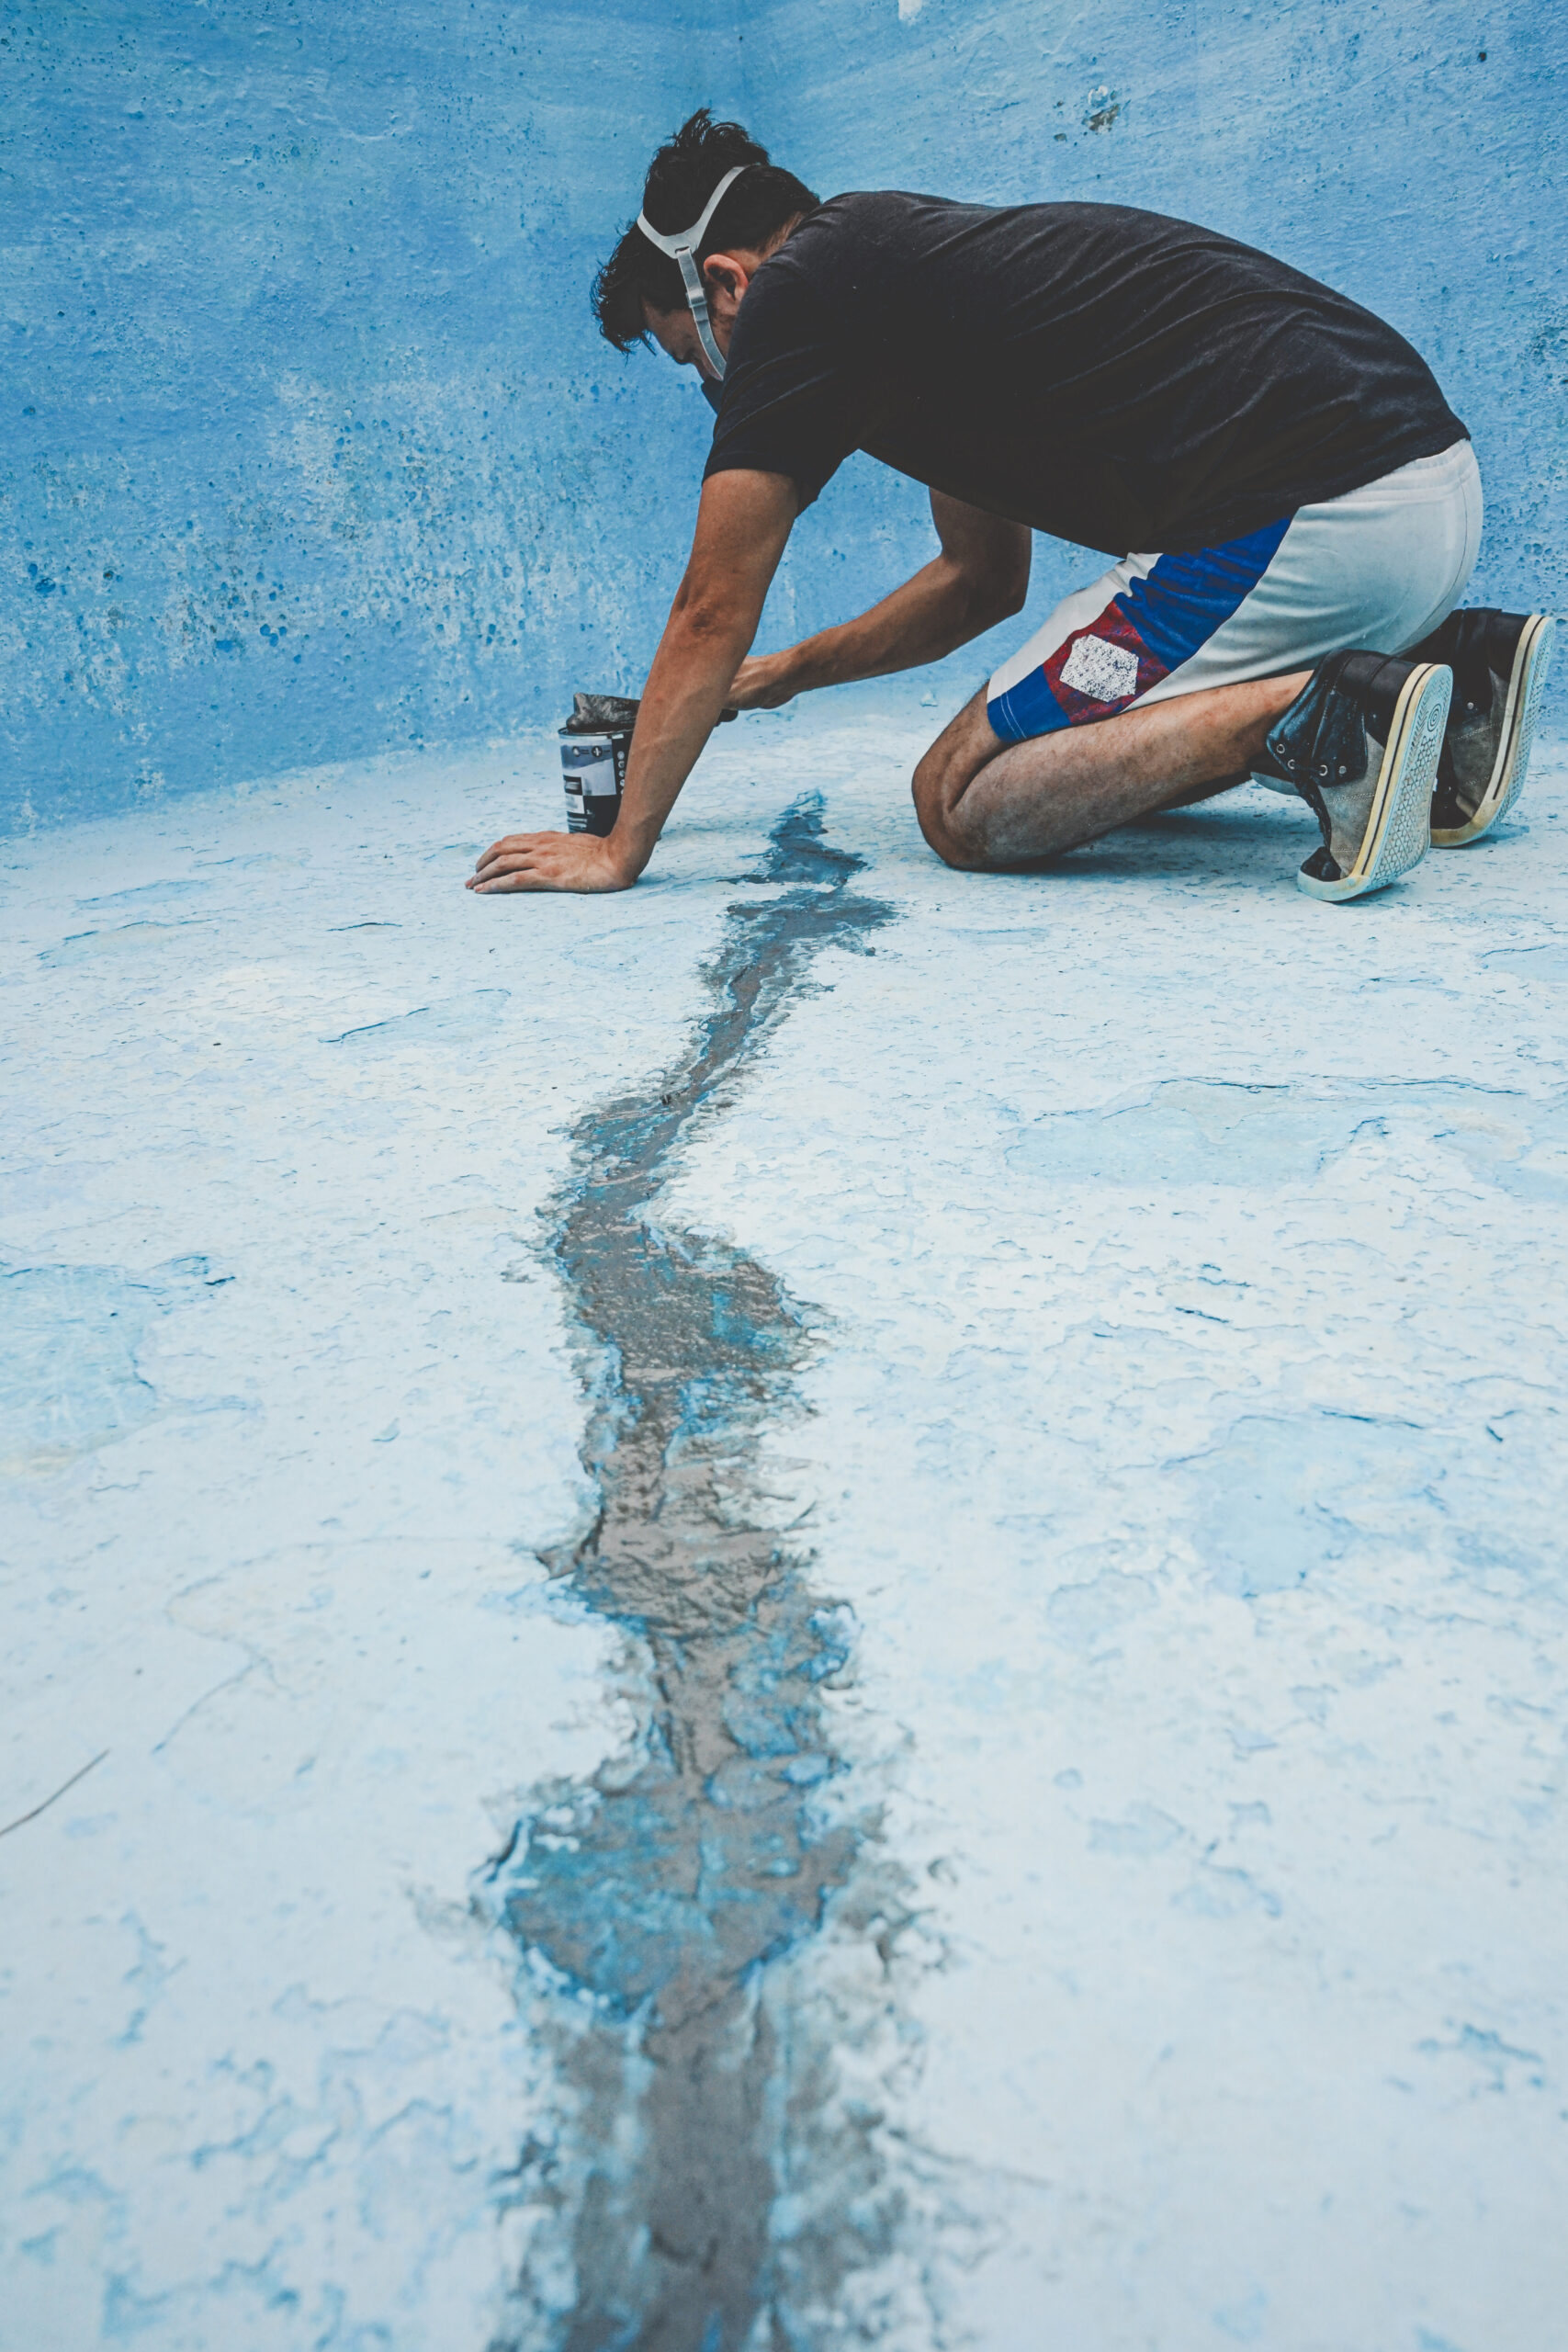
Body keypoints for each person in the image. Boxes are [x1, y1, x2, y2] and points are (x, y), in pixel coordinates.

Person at [469, 110, 1554, 903]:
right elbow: (978, 581)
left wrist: (620, 853)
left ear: (729, 285)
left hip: (1306, 510)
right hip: (1424, 494)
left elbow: (709, 608)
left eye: (699, 358)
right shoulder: (900, 282)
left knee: (963, 801)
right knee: (1108, 758)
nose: (722, 390)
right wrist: (784, 678)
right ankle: (1456, 669)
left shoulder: (801, 298)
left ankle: (1330, 709)